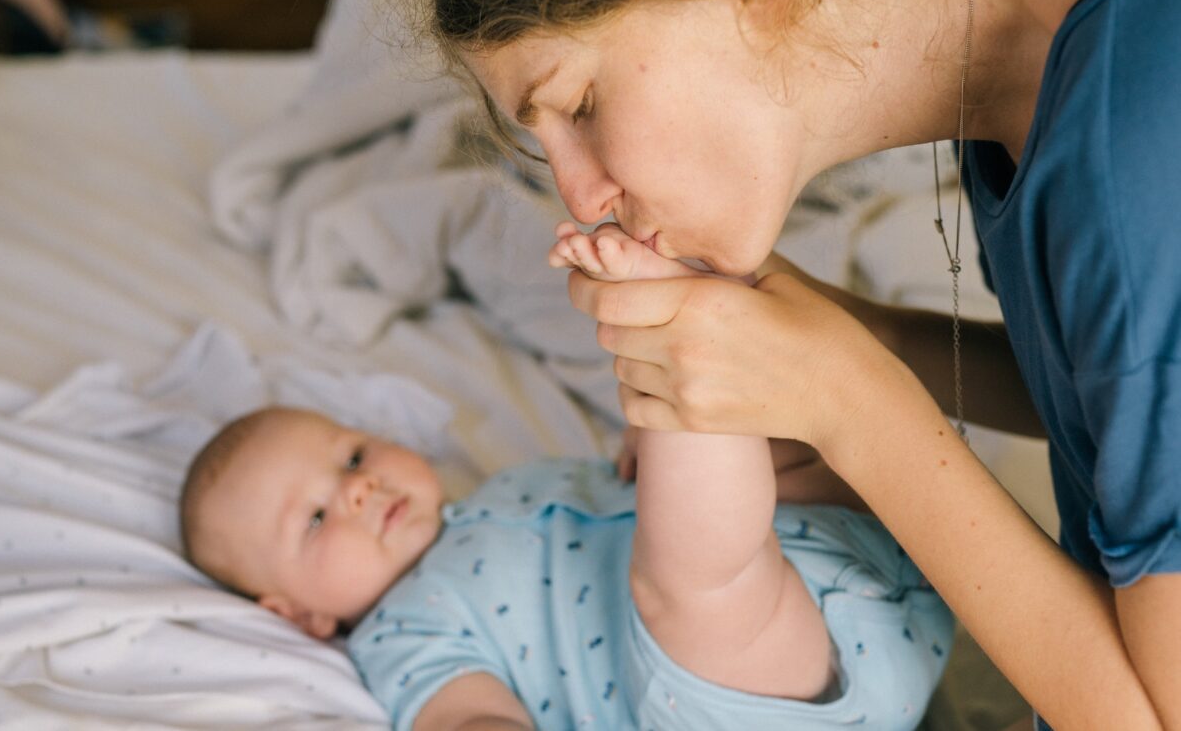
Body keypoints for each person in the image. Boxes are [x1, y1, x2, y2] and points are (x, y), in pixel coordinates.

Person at [409, 0, 1181, 728]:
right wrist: (848, 335)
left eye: (582, 104)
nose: (580, 199)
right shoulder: (1038, 86)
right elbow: (1111, 392)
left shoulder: (1137, 156)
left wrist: (847, 400)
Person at [178, 240, 952, 729]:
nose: (355, 490)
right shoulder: (400, 633)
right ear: (300, 613)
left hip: (870, 561)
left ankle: (696, 389)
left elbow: (631, 499)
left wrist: (649, 461)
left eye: (351, 458)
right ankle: (678, 342)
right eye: (315, 519)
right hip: (755, 683)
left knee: (781, 440)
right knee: (695, 579)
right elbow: (469, 718)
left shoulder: (498, 489)